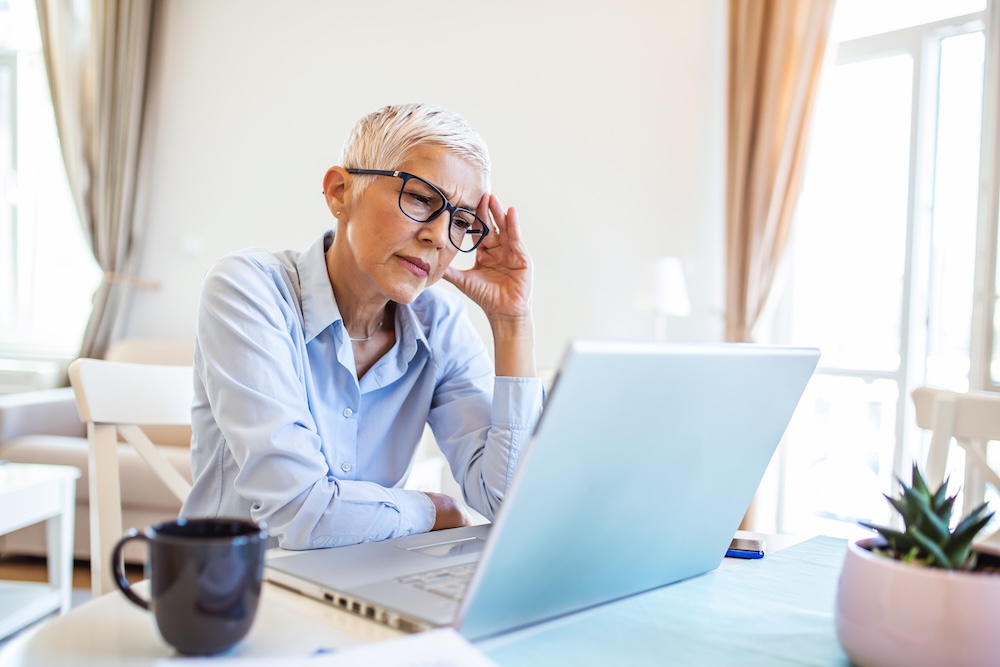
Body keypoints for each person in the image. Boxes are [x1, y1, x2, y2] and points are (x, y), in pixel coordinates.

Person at [180, 103, 544, 550]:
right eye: (420, 198)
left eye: (462, 220)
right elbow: (299, 512)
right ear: (339, 192)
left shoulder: (441, 325)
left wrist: (512, 323)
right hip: (238, 594)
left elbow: (508, 502)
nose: (437, 234)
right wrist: (433, 510)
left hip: (367, 588)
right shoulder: (248, 289)